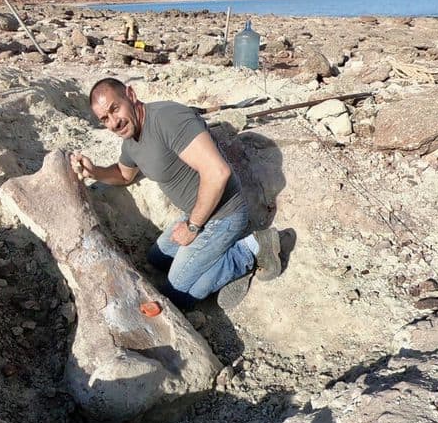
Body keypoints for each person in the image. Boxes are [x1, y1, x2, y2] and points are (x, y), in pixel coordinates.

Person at [70, 77, 282, 310]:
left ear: (130, 95)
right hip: (196, 212)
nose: (113, 123)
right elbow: (124, 175)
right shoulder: (131, 141)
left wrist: (192, 227)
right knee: (157, 260)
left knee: (175, 296)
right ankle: (215, 264)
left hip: (223, 215)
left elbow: (217, 172)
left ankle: (251, 249)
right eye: (104, 119)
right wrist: (95, 171)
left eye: (114, 109)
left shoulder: (168, 118)